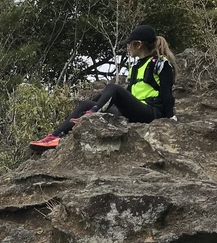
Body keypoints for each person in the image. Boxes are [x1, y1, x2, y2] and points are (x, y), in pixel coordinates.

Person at [30, 24, 177, 150]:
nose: (127, 47)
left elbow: (166, 94)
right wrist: (97, 102)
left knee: (113, 88)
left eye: (129, 44)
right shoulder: (136, 66)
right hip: (136, 111)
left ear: (138, 44)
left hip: (151, 113)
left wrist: (171, 118)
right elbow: (130, 94)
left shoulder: (160, 64)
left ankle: (91, 114)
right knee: (88, 103)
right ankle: (54, 137)